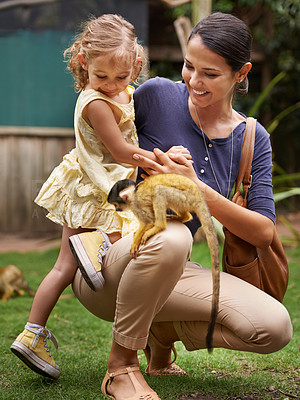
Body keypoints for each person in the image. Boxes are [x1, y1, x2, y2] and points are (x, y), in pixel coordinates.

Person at [70, 12, 293, 400]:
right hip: (109, 264)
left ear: (241, 74)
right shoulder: (155, 95)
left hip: (169, 267)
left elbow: (263, 231)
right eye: (190, 66)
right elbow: (91, 154)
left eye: (210, 73)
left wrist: (197, 189)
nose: (194, 80)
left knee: (274, 327)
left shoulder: (251, 138)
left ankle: (161, 331)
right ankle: (121, 367)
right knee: (172, 238)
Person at [10, 13, 190, 381]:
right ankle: (94, 247)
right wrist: (163, 160)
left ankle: (32, 333)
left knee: (64, 266)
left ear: (135, 65)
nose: (110, 85)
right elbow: (122, 151)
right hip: (95, 189)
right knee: (90, 257)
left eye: (121, 77)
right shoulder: (95, 103)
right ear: (83, 63)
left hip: (101, 183)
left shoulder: (123, 92)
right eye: (101, 76)